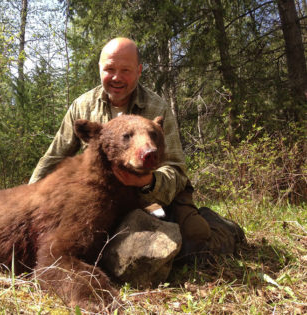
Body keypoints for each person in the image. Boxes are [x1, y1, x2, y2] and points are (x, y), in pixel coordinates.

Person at [29, 37, 245, 261]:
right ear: (99, 68)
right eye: (110, 69)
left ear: (139, 70)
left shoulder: (157, 107)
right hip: (106, 198)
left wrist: (147, 183)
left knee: (193, 240)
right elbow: (53, 157)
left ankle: (224, 228)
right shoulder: (83, 106)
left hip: (157, 195)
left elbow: (176, 169)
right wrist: (29, 200)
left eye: (126, 70)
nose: (116, 77)